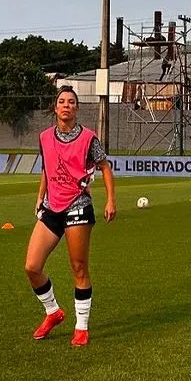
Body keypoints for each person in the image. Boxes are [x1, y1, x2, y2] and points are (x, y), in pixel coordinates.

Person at [25, 86, 116, 347]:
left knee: (79, 268)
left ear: (76, 108)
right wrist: (39, 197)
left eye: (71, 102)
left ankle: (81, 326)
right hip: (52, 207)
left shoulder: (89, 138)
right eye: (62, 101)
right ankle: (53, 312)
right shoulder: (44, 137)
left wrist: (110, 200)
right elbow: (46, 168)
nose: (66, 105)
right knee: (32, 266)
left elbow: (105, 168)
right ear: (55, 108)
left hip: (78, 205)